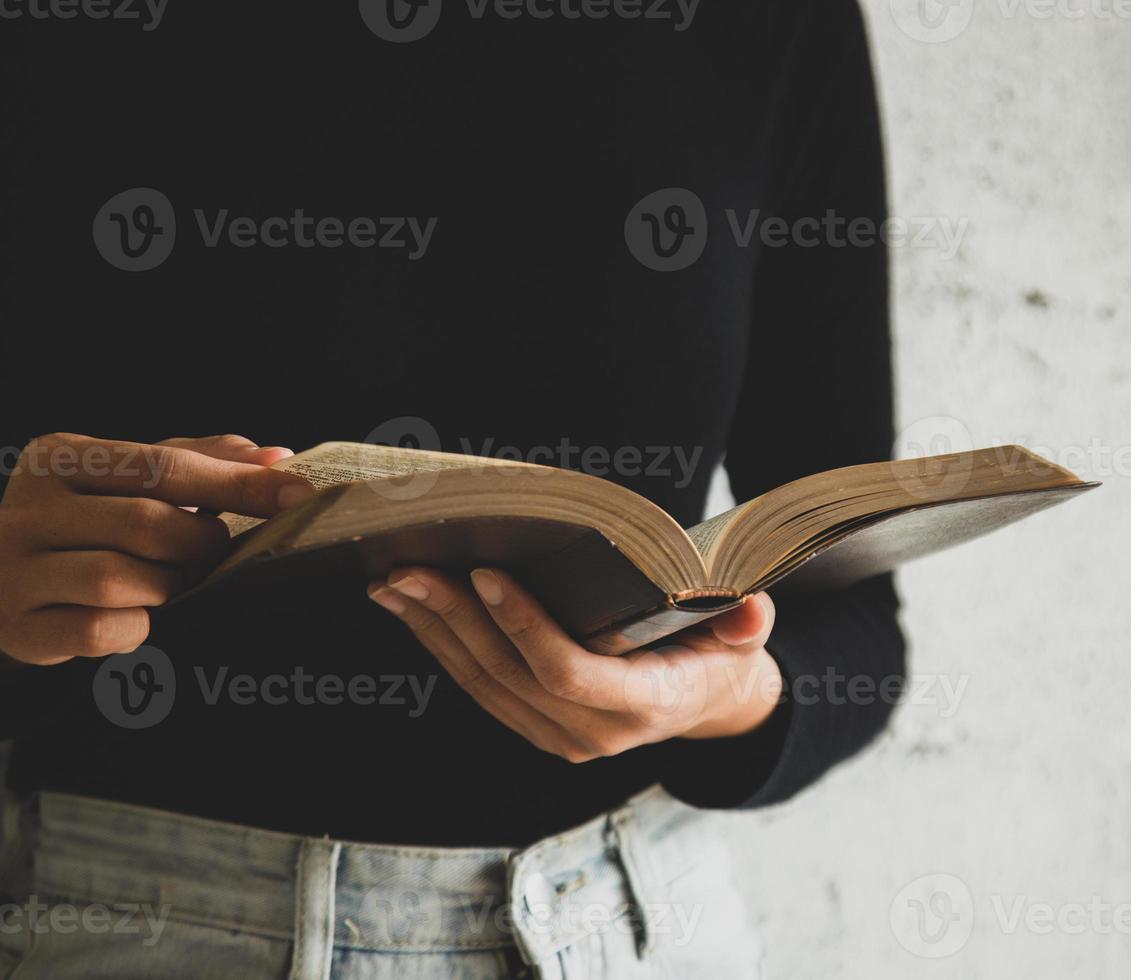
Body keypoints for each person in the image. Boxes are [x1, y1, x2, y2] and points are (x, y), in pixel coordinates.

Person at [0, 1, 905, 975]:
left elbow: (856, 620)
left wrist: (725, 693)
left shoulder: (771, 24)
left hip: (623, 922)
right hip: (118, 922)